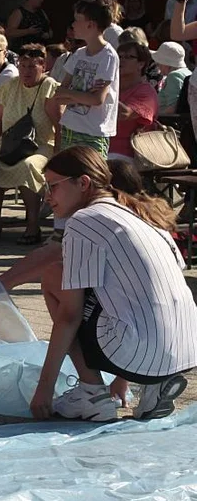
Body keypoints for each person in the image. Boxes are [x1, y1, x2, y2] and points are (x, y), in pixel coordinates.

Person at [22, 146, 194, 422]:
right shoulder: (140, 214)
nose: (48, 196)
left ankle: (92, 393)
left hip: (142, 349)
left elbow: (69, 316)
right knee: (103, 290)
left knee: (55, 277)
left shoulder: (83, 221)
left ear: (83, 183)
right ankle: (152, 384)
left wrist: (44, 388)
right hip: (185, 347)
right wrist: (123, 378)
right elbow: (148, 290)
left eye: (53, 186)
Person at [0, 44, 60, 243]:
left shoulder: (48, 85)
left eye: (32, 66)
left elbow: (58, 125)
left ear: (42, 66)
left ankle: (33, 227)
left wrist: (59, 154)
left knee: (28, 167)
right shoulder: (11, 85)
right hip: (11, 143)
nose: (26, 71)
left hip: (41, 144)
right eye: (23, 65)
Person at [45, 0, 119, 159]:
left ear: (90, 25)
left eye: (77, 20)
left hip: (93, 132)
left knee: (92, 179)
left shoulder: (108, 56)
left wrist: (73, 94)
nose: (73, 25)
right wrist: (83, 95)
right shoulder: (78, 54)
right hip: (70, 128)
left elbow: (97, 99)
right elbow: (59, 93)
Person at [108, 41, 158, 160]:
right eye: (119, 56)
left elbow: (124, 114)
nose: (121, 60)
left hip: (127, 155)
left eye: (128, 57)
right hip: (99, 148)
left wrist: (101, 95)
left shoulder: (146, 91)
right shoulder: (110, 87)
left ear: (141, 64)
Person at [152, 42, 191, 116]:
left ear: (167, 63)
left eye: (159, 62)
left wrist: (152, 116)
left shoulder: (174, 76)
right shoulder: (187, 72)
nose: (158, 64)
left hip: (167, 123)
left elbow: (172, 108)